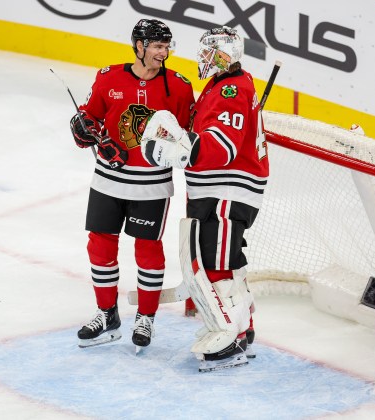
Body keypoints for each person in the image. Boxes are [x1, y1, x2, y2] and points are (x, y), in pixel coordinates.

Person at [140, 26, 268, 371]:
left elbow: (221, 147)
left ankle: (228, 336)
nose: (202, 58)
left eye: (207, 52)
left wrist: (181, 151)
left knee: (214, 263)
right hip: (218, 188)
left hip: (226, 190)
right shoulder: (223, 86)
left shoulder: (229, 88)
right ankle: (242, 329)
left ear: (222, 54)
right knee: (227, 261)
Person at [70, 19, 195, 352]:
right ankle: (107, 314)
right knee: (100, 246)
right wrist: (85, 131)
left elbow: (190, 135)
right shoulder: (108, 77)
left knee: (148, 250)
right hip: (108, 178)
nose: (163, 53)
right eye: (156, 46)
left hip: (152, 184)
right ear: (139, 46)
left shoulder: (179, 88)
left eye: (166, 47)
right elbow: (89, 118)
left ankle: (146, 318)